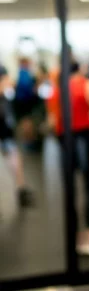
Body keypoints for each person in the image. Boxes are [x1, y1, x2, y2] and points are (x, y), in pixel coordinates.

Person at [48, 59, 89, 256]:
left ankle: (75, 236)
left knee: (70, 190)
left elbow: (52, 120)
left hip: (65, 142)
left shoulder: (56, 90)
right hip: (83, 140)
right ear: (80, 68)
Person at [0, 64, 34, 207]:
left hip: (6, 130)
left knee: (14, 157)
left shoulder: (7, 95)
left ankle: (21, 189)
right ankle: (21, 189)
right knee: (14, 157)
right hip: (4, 128)